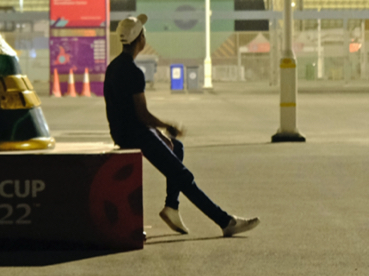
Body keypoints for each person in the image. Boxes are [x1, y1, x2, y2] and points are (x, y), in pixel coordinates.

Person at [104, 13, 259, 237]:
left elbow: (129, 114)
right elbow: (142, 115)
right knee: (183, 176)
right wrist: (167, 125)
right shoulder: (134, 73)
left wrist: (159, 135)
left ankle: (172, 207)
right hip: (135, 135)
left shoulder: (114, 67)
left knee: (177, 148)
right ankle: (225, 222)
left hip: (123, 132)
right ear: (140, 39)